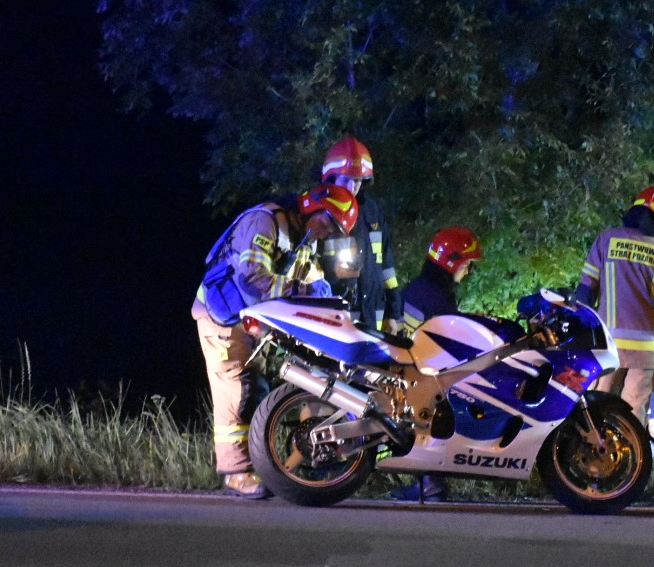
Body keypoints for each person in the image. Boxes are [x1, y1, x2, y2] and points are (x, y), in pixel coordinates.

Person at [191, 183, 359, 499]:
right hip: (222, 319)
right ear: (312, 207)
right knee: (237, 391)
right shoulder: (263, 222)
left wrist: (333, 304)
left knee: (257, 390)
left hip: (251, 321)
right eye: (328, 224)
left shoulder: (301, 240)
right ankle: (236, 474)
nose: (326, 234)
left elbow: (314, 284)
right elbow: (252, 279)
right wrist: (306, 292)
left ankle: (264, 467)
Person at [574, 184, 654, 426]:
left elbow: (584, 295)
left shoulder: (607, 240)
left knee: (595, 412)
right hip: (647, 352)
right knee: (633, 419)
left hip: (608, 346)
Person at [390, 225, 484, 503]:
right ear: (452, 262)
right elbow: (449, 337)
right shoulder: (436, 296)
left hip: (411, 368)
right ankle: (430, 482)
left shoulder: (420, 288)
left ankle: (428, 482)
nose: (467, 271)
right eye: (466, 265)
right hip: (422, 374)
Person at [315, 136, 404, 333]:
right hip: (339, 316)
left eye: (356, 180)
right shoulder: (321, 212)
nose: (351, 187)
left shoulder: (372, 211)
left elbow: (386, 266)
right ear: (331, 177)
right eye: (345, 179)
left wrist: (393, 312)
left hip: (374, 314)